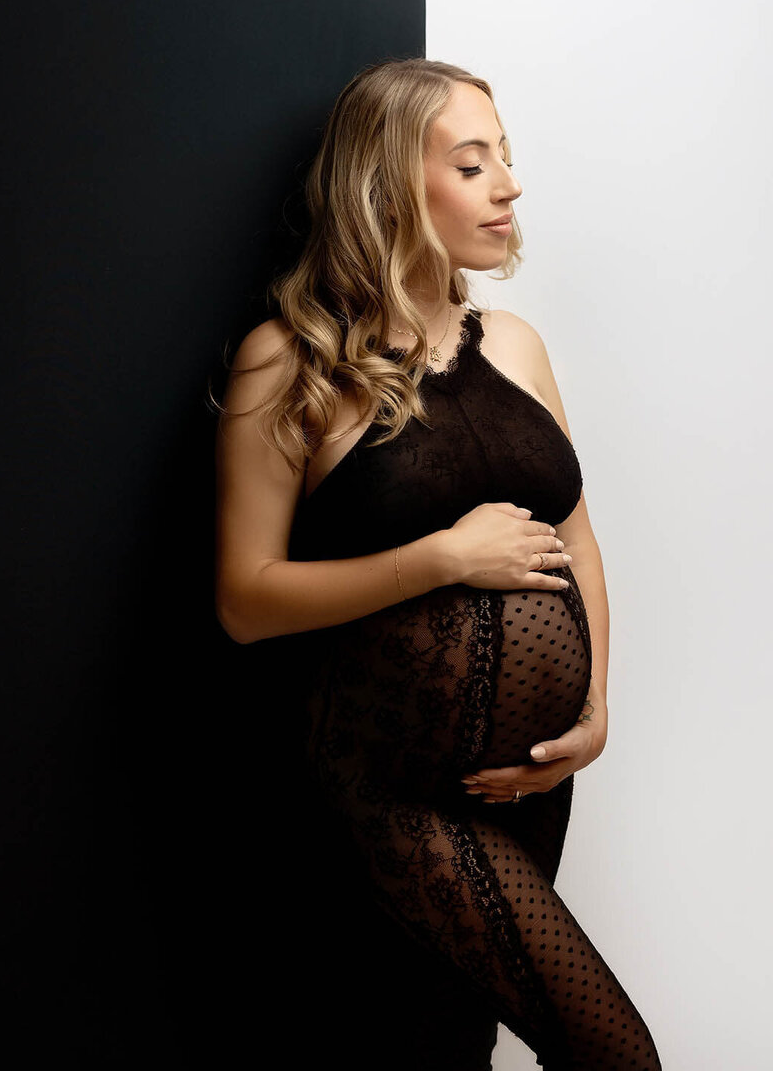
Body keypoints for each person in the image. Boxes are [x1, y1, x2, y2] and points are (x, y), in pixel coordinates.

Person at [212, 57, 662, 1069]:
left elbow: (573, 538)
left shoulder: (514, 343)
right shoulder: (291, 360)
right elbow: (245, 599)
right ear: (385, 187)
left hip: (519, 785)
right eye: (472, 163)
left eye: (504, 159)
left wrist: (593, 708)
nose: (508, 185)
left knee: (442, 1046)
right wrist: (440, 557)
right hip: (386, 794)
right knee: (614, 1054)